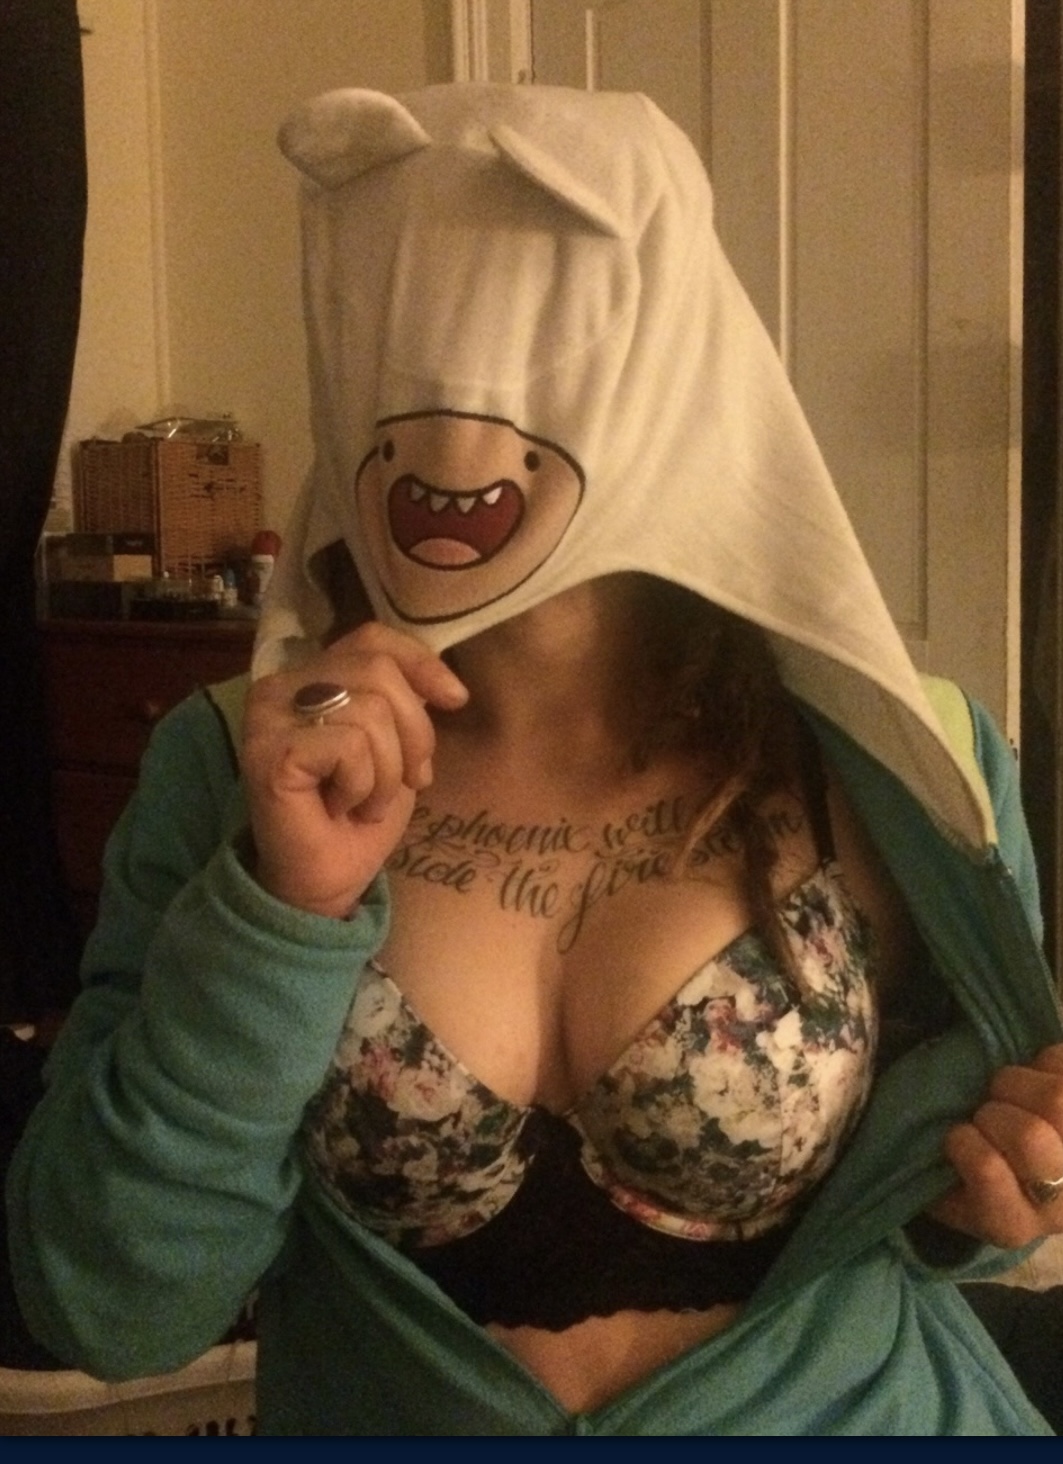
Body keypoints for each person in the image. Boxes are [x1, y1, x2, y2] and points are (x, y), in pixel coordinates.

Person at [7, 83, 1063, 1436]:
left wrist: (987, 1197)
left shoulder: (903, 762)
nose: (457, 436)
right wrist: (281, 917)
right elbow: (113, 1307)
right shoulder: (236, 770)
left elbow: (955, 1183)